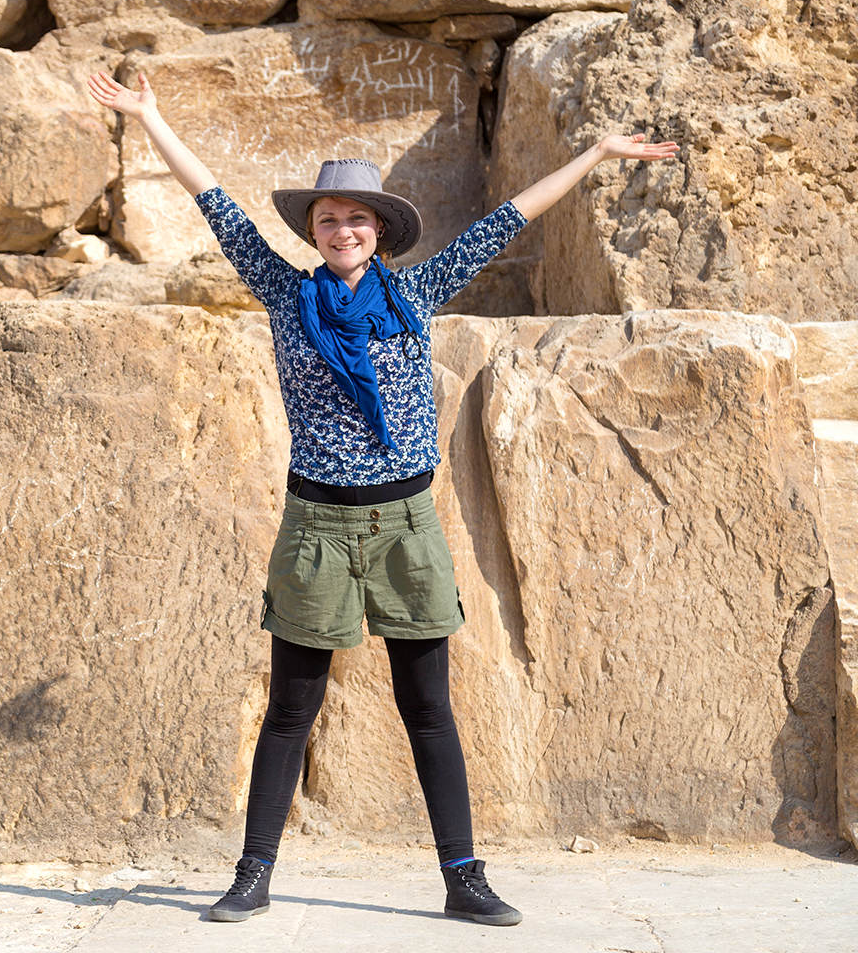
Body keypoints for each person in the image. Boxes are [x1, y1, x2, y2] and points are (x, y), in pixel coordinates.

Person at [86, 70, 677, 927]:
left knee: (428, 704)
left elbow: (509, 217)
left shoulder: (415, 295)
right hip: (316, 521)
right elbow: (217, 205)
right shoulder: (288, 294)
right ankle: (252, 874)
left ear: (381, 231)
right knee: (294, 703)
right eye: (329, 218)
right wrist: (150, 118)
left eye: (357, 217)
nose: (343, 229)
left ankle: (464, 877)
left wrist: (593, 153)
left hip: (407, 521)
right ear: (314, 230)